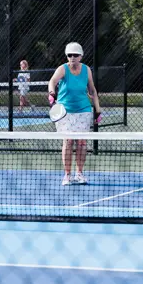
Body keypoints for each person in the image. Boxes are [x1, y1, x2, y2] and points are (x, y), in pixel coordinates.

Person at [48, 42, 101, 186]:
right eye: (69, 55)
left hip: (83, 110)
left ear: (81, 56)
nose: (72, 57)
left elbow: (92, 90)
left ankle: (79, 173)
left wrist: (97, 110)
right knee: (68, 141)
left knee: (82, 142)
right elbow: (52, 81)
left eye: (75, 55)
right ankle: (67, 175)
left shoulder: (86, 70)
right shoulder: (62, 69)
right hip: (65, 112)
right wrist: (51, 93)